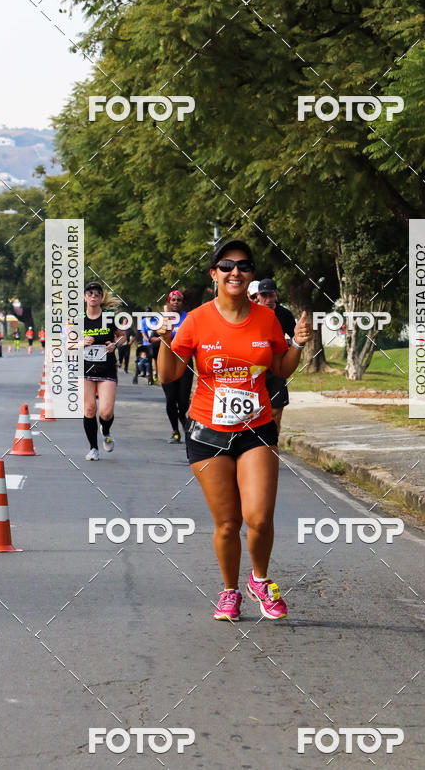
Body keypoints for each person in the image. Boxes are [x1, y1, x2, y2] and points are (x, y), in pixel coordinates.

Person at [158, 239, 312, 622]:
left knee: (259, 517)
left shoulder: (266, 318)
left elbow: (279, 367)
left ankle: (260, 579)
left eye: (243, 266)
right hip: (208, 433)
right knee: (227, 524)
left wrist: (298, 345)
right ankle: (229, 591)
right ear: (214, 274)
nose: (235, 272)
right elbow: (170, 374)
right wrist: (164, 341)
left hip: (256, 429)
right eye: (226, 266)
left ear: (251, 276)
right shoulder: (196, 320)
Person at [83, 281, 126, 461]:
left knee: (106, 412)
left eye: (97, 293)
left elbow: (123, 337)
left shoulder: (109, 317)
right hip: (85, 369)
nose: (93, 296)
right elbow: (67, 344)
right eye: (90, 293)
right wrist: (80, 343)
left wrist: (114, 345)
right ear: (85, 296)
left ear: (101, 298)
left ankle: (106, 430)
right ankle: (93, 448)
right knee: (89, 409)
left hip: (106, 368)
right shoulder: (78, 319)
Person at [257, 278, 296, 434]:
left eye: (270, 295)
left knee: (275, 412)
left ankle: (272, 445)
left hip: (276, 368)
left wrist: (289, 345)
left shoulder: (284, 314)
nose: (267, 299)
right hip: (255, 368)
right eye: (264, 295)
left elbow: (296, 338)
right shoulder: (250, 312)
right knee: (253, 413)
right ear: (258, 296)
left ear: (276, 295)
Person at [159, 290, 192, 443]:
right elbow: (155, 335)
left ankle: (182, 416)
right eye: (173, 299)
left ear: (182, 302)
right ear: (169, 302)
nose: (176, 302)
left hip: (185, 362)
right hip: (167, 362)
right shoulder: (163, 318)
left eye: (179, 300)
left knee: (184, 401)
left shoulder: (190, 318)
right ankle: (175, 431)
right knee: (171, 399)